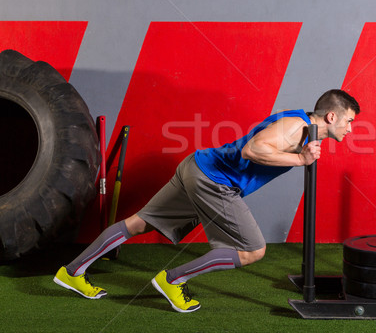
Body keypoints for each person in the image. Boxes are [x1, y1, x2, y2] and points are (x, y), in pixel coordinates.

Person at [53, 89, 360, 313]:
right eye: (348, 121)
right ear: (332, 116)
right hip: (214, 181)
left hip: (196, 166)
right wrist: (300, 160)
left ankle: (72, 272)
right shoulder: (296, 127)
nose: (350, 128)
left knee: (139, 222)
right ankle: (172, 279)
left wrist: (301, 155)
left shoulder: (304, 127)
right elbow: (252, 150)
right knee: (253, 250)